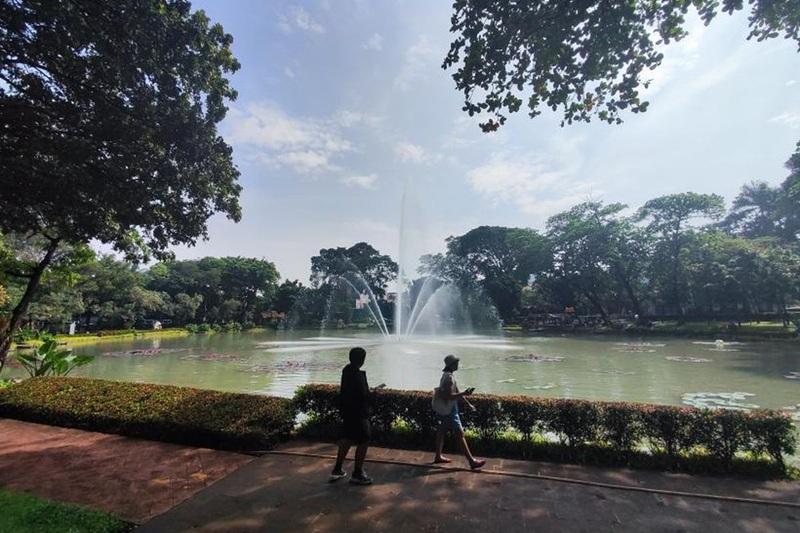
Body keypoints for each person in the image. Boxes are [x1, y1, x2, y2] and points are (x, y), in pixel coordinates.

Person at [329, 347, 384, 485]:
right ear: (362, 359)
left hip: (347, 412)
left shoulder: (347, 370)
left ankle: (337, 468)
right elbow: (363, 395)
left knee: (347, 439)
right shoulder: (357, 374)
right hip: (358, 413)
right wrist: (375, 392)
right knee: (364, 440)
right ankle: (357, 473)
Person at [432, 354, 485, 470]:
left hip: (447, 408)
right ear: (452, 365)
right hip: (450, 410)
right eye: (456, 363)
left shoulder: (447, 375)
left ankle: (437, 456)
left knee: (441, 432)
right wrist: (465, 394)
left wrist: (468, 403)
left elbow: (457, 391)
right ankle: (472, 461)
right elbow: (449, 396)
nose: (458, 364)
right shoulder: (449, 378)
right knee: (460, 434)